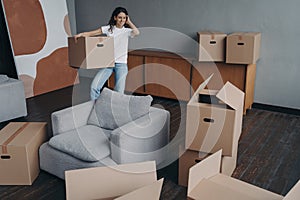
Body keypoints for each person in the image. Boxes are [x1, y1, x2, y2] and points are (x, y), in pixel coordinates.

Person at [74, 7, 140, 100]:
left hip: (121, 64)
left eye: (124, 18)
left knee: (119, 92)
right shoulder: (109, 29)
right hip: (108, 63)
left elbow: (137, 32)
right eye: (120, 17)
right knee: (94, 87)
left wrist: (129, 22)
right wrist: (81, 34)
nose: (122, 20)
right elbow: (92, 33)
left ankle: (116, 110)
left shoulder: (127, 31)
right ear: (115, 18)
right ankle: (94, 107)